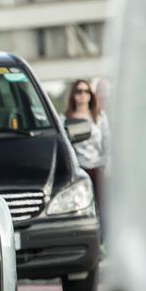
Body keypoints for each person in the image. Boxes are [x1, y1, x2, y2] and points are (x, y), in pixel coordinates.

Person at [64, 79, 109, 213]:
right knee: (83, 208)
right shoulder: (65, 119)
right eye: (79, 91)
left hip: (98, 169)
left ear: (90, 94)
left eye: (86, 91)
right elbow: (66, 147)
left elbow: (107, 142)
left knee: (103, 207)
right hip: (79, 171)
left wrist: (107, 165)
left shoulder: (99, 117)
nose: (82, 94)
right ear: (73, 95)